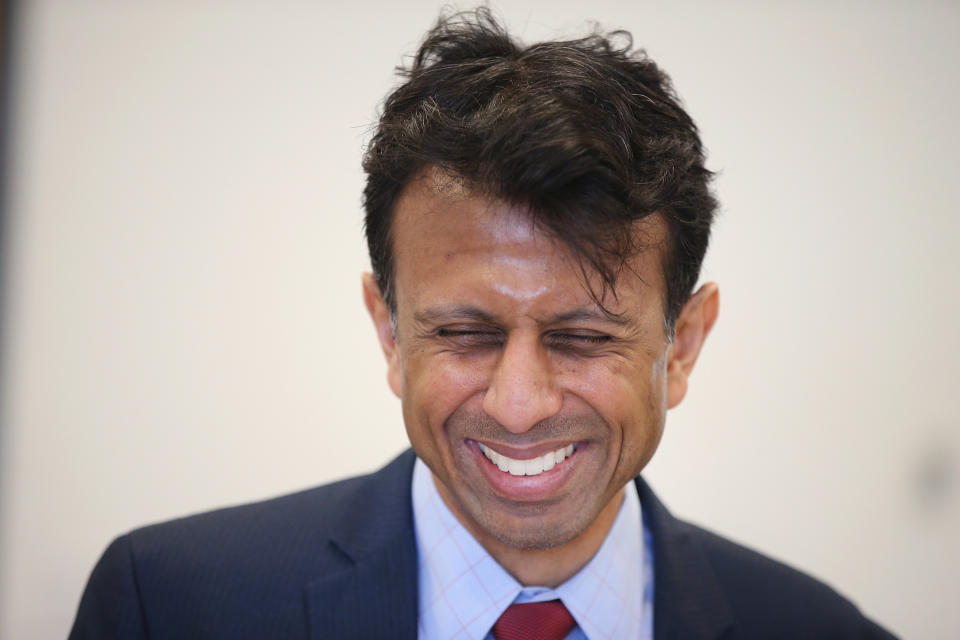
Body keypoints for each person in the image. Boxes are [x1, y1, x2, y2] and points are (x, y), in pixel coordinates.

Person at [69, 9, 896, 639]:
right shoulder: (167, 605)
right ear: (390, 334)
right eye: (466, 333)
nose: (519, 405)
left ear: (681, 345)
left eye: (583, 336)